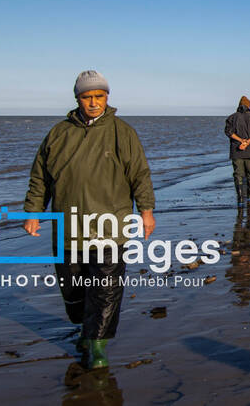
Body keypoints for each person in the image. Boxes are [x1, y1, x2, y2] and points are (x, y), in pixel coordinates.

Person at [23, 70, 156, 369]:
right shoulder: (58, 133)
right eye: (87, 97)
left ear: (107, 97)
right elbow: (40, 177)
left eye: (99, 96)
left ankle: (97, 345)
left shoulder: (123, 132)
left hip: (111, 226)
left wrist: (146, 211)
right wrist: (33, 212)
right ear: (77, 99)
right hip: (68, 227)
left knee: (106, 288)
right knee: (72, 289)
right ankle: (85, 326)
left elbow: (140, 174)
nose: (93, 102)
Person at [225, 95, 250, 204]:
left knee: (238, 173)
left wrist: (241, 141)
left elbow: (229, 132)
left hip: (236, 149)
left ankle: (240, 196)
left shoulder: (232, 117)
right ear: (249, 106)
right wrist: (248, 141)